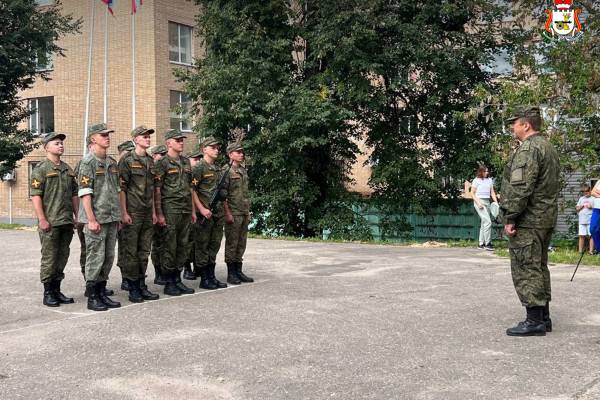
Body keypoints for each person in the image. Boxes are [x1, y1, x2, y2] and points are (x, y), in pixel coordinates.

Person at [500, 107, 560, 337]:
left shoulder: (529, 148)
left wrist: (511, 216)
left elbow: (521, 186)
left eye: (514, 123)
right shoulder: (548, 147)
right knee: (539, 266)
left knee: (526, 267)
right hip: (544, 218)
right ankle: (543, 317)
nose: (512, 128)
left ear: (526, 125)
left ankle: (534, 320)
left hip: (529, 219)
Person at [30, 132, 78, 307]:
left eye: (61, 143)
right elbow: (36, 196)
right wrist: (42, 219)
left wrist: (76, 214)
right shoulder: (41, 169)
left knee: (62, 257)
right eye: (56, 143)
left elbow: (74, 194)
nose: (60, 146)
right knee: (49, 258)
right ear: (46, 147)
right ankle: (48, 292)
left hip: (65, 221)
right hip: (50, 221)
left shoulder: (67, 169)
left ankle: (57, 290)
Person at [78, 123, 122, 311]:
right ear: (93, 139)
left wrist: (119, 215)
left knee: (108, 257)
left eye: (108, 134)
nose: (107, 137)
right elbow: (85, 193)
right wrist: (91, 219)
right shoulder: (88, 163)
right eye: (103, 135)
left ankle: (102, 292)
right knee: (95, 257)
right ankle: (93, 296)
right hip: (96, 218)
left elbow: (116, 190)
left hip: (111, 217)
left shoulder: (112, 163)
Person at [117, 125, 160, 303]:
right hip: (132, 212)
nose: (148, 139)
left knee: (144, 251)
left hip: (146, 212)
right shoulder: (127, 160)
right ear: (135, 139)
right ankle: (133, 286)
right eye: (144, 136)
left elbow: (152, 190)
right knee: (131, 252)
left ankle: (142, 285)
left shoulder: (150, 161)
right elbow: (121, 189)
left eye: (149, 136)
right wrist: (124, 212)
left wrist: (154, 212)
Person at [153, 129, 196, 296]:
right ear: (169, 143)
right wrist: (159, 213)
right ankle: (169, 281)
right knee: (169, 246)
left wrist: (192, 211)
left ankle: (178, 279)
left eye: (182, 140)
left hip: (185, 208)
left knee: (183, 245)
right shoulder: (162, 163)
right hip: (170, 208)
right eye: (178, 140)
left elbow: (190, 188)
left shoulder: (186, 162)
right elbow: (157, 190)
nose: (181, 142)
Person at [191, 136, 228, 290]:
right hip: (205, 214)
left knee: (214, 245)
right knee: (203, 246)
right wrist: (201, 209)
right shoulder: (199, 167)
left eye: (217, 148)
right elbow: (192, 190)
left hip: (217, 214)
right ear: (204, 149)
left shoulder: (217, 169)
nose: (216, 150)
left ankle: (211, 276)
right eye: (213, 147)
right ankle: (204, 278)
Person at [223, 140, 254, 284]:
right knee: (232, 243)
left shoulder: (242, 170)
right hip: (233, 212)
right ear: (230, 154)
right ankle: (231, 273)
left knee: (242, 243)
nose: (241, 154)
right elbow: (223, 196)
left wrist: (248, 210)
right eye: (238, 152)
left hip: (244, 211)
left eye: (242, 152)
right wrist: (227, 213)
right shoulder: (226, 171)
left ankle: (238, 270)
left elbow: (245, 193)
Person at [147, 145, 168, 285]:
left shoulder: (164, 168)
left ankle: (166, 271)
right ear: (154, 156)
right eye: (161, 154)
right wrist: (157, 213)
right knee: (158, 243)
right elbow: (154, 192)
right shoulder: (153, 170)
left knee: (168, 243)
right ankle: (158, 272)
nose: (163, 156)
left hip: (168, 209)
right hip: (155, 211)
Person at [183, 146, 203, 280]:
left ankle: (197, 267)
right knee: (187, 241)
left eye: (199, 159)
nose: (197, 162)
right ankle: (186, 268)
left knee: (198, 241)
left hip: (199, 210)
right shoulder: (187, 174)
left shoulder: (198, 172)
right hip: (188, 211)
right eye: (195, 159)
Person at [471, 165, 498, 251]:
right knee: (488, 222)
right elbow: (472, 193)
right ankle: (488, 243)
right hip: (479, 201)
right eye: (485, 171)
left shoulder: (489, 180)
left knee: (484, 223)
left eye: (487, 171)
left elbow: (492, 193)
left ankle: (481, 243)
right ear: (481, 172)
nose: (487, 173)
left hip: (487, 202)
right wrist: (478, 203)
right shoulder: (476, 180)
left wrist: (496, 203)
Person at [576, 185, 594, 255]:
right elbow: (577, 208)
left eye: (587, 192)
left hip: (590, 220)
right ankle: (580, 252)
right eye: (584, 192)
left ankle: (591, 251)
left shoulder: (593, 198)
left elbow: (597, 208)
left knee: (591, 236)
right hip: (582, 220)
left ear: (590, 191)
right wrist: (581, 206)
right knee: (581, 236)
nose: (586, 193)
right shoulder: (581, 199)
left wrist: (591, 206)